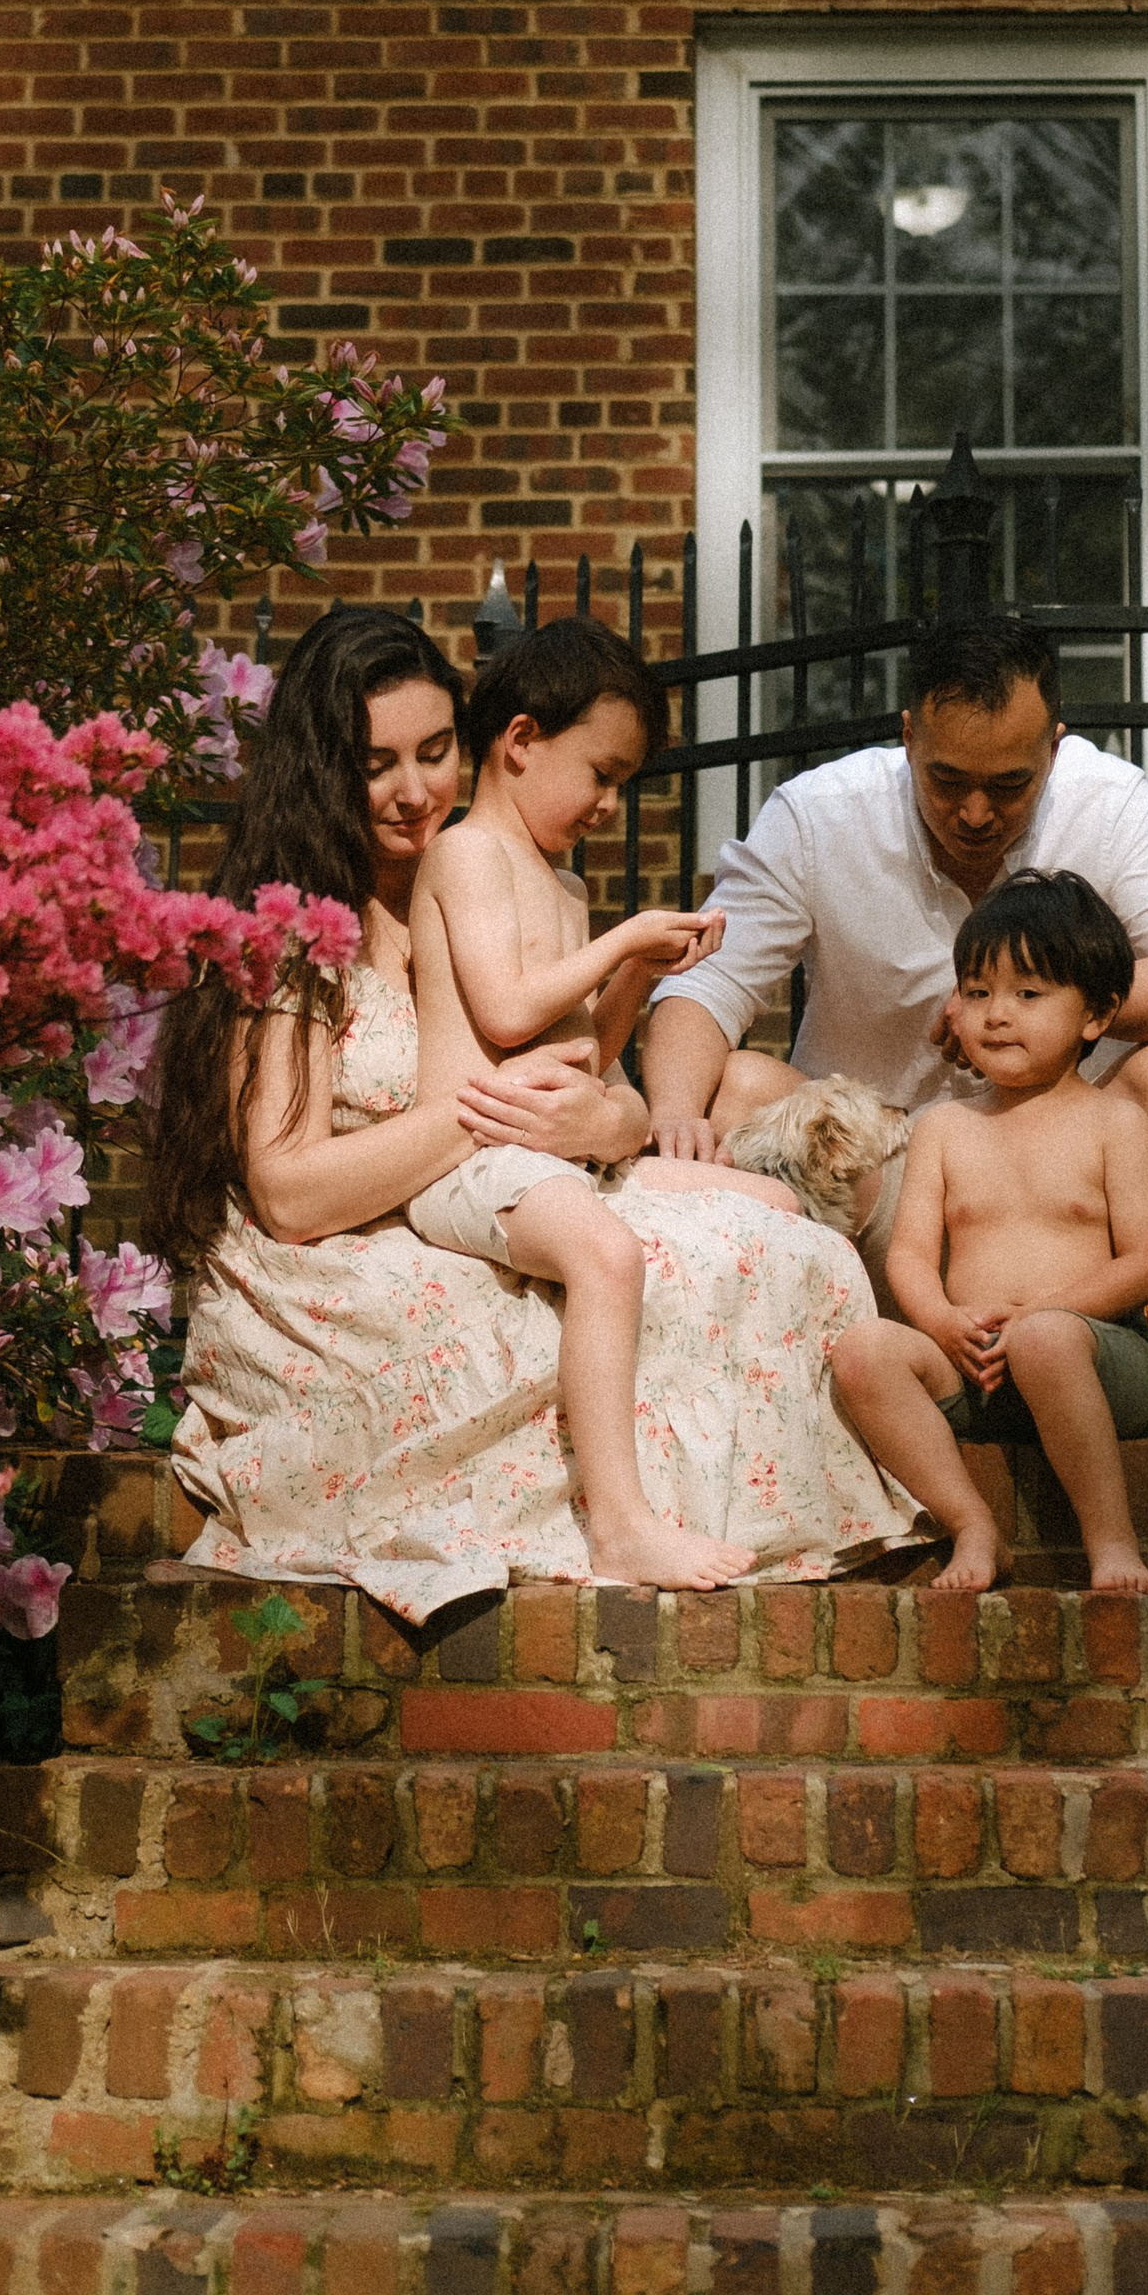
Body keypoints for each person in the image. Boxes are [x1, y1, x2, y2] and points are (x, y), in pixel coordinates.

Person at [149, 607, 924, 1621]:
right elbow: (290, 1193)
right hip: (358, 1243)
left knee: (781, 1235)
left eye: (434, 751)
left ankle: (771, 1508)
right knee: (642, 1269)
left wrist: (601, 1121)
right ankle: (625, 1518)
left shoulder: (482, 880)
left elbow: (585, 1082)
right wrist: (491, 1119)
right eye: (376, 762)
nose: (416, 788)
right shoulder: (296, 934)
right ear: (319, 765)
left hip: (511, 1182)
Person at [407, 619, 805, 1593]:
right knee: (607, 1253)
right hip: (470, 1162)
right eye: (601, 772)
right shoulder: (466, 856)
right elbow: (502, 1009)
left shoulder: (564, 883)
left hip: (557, 1156)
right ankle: (621, 1525)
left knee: (781, 1208)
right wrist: (624, 938)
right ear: (519, 741)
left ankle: (743, 1482)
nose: (610, 804)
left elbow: (590, 1053)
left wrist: (640, 969)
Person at [643, 612, 1148, 1242]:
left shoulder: (1110, 801)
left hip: (1059, 1183)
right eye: (947, 780)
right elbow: (703, 987)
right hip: (870, 1171)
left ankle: (1089, 1316)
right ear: (908, 738)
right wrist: (671, 1113)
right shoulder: (817, 816)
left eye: (1009, 785)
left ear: (1053, 748)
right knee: (738, 1090)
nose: (974, 813)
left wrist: (1035, 1000)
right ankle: (837, 1320)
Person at [837, 871, 1148, 1597]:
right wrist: (941, 1322)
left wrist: (1048, 1314)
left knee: (1047, 1340)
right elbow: (911, 1256)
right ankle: (972, 1524)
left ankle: (1111, 1543)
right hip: (978, 1366)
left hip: (1090, 1357)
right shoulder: (946, 1128)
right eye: (977, 991)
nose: (995, 1015)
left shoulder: (1117, 1121)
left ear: (1096, 1015)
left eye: (1028, 994)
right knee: (866, 1350)